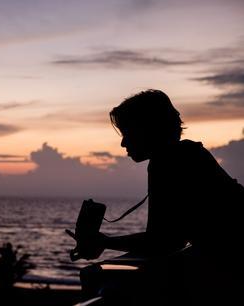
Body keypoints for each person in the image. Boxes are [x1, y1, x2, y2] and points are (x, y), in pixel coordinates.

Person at [74, 89, 244, 304]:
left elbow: (162, 241)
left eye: (127, 132)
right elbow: (170, 237)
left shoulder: (166, 162)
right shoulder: (189, 153)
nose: (123, 143)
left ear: (148, 129)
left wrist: (104, 242)